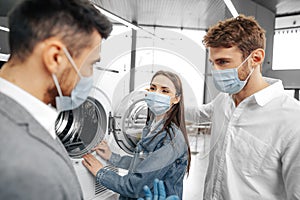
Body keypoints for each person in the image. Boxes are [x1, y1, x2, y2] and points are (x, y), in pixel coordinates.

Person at [144, 14, 300, 200]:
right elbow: (200, 113)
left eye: (223, 62)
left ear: (256, 58)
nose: (216, 71)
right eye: (213, 63)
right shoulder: (224, 100)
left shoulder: (292, 121)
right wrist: (164, 100)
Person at [0, 0, 112, 199]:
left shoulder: (27, 120)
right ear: (55, 58)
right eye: (90, 64)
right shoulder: (21, 166)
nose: (88, 75)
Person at [82, 70, 191, 199]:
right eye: (153, 88)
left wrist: (101, 172)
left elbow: (135, 187)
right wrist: (112, 156)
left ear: (176, 99)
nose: (156, 94)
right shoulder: (151, 127)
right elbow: (144, 164)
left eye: (165, 91)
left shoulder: (171, 139)